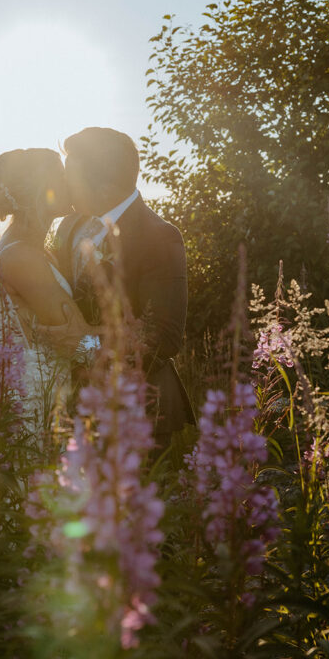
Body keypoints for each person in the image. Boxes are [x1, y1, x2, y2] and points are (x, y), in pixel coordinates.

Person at [53, 127, 195, 447]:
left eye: (72, 177)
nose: (65, 186)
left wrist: (84, 344)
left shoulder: (159, 236)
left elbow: (162, 337)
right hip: (76, 405)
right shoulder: (70, 225)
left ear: (106, 188)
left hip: (138, 411)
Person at [0, 148, 99, 443]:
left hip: (45, 405)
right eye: (61, 175)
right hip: (36, 418)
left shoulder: (24, 247)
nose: (69, 180)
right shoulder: (23, 257)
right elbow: (81, 345)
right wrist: (128, 336)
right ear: (41, 189)